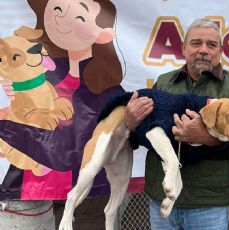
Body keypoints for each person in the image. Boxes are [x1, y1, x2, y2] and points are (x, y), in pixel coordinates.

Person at [0, 0, 153, 228]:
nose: (62, 19)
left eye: (80, 17)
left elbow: (67, 152)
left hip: (82, 197)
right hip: (27, 194)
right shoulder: (37, 66)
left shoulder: (107, 90)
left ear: (103, 34)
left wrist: (7, 127)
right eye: (58, 10)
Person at [126, 18, 229, 229]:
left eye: (211, 45)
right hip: (162, 198)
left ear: (220, 51)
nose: (203, 50)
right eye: (196, 43)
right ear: (184, 49)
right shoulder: (163, 82)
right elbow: (143, 137)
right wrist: (131, 124)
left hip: (208, 204)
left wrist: (205, 138)